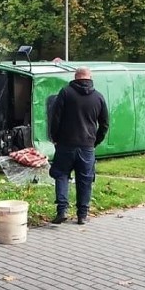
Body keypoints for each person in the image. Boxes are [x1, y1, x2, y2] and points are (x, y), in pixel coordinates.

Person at [48, 66, 109, 225]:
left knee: (61, 175)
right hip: (87, 146)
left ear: (75, 77)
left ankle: (62, 210)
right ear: (90, 78)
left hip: (65, 144)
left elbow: (55, 118)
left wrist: (54, 137)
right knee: (85, 179)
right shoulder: (99, 97)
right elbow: (105, 124)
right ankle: (82, 215)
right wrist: (95, 141)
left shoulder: (65, 93)